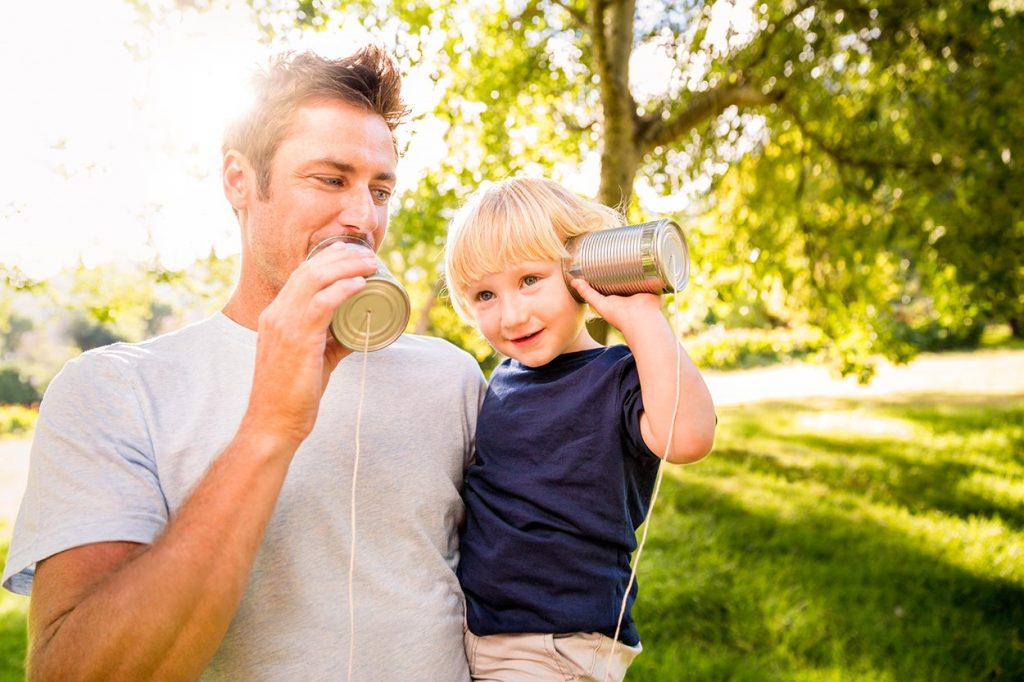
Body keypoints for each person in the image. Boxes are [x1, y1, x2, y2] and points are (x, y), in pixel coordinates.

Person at [2, 46, 486, 680]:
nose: (364, 218)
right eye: (331, 179)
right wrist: (268, 428)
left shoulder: (451, 377)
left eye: (381, 189)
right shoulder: (112, 390)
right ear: (239, 180)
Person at [443, 177, 717, 681]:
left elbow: (689, 437)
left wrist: (643, 321)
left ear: (581, 272)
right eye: (485, 294)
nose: (512, 314)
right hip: (479, 633)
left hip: (558, 645)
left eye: (530, 280)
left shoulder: (616, 376)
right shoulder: (500, 381)